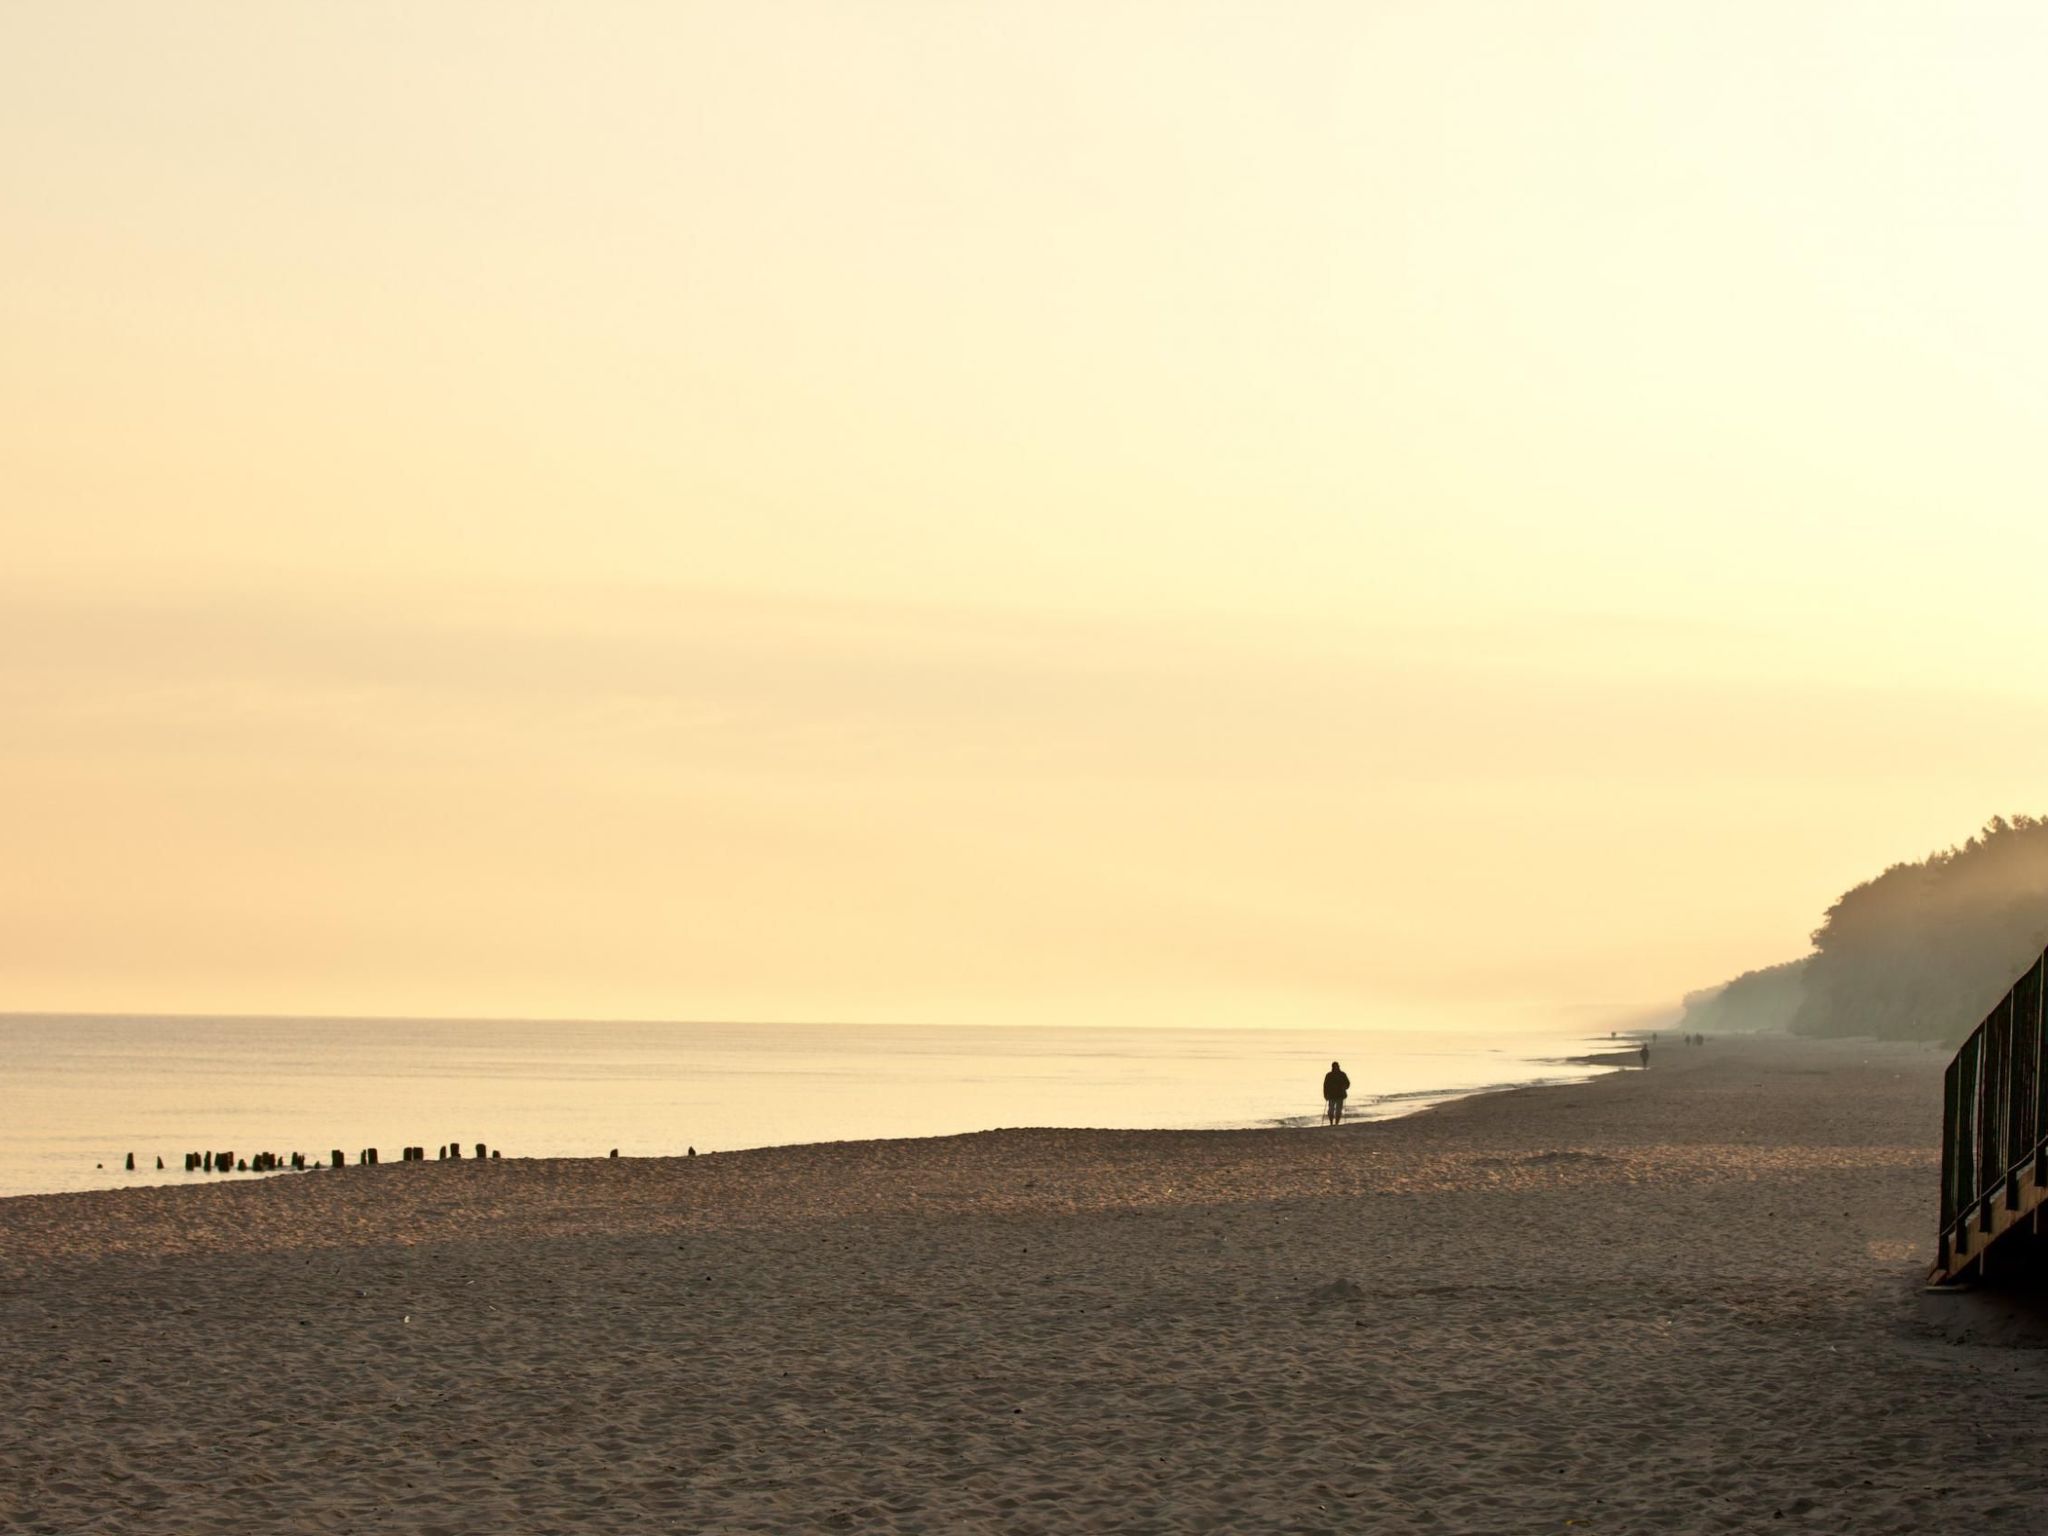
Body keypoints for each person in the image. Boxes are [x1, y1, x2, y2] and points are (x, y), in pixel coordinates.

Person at [1322, 1061, 1351, 1125]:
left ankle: (1336, 1123)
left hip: (1340, 1095)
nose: (1336, 1068)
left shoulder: (1342, 1074)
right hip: (1331, 1095)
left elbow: (1348, 1083)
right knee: (1331, 1111)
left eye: (1337, 1067)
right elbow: (1325, 1086)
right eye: (1335, 1067)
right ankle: (1331, 1123)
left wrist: (1345, 1087)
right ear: (1332, 1067)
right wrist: (1325, 1095)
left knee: (1338, 1111)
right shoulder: (1329, 1075)